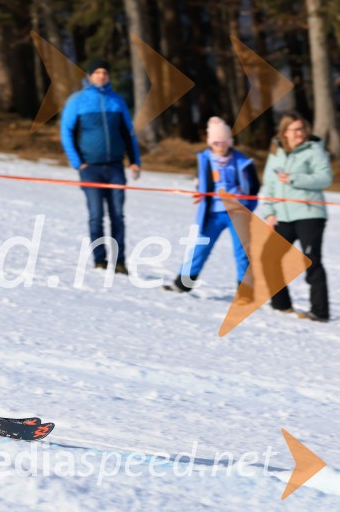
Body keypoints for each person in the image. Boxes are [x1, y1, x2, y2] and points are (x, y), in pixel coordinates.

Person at [61, 58, 142, 274]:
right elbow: (66, 132)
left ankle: (119, 261)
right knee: (96, 215)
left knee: (118, 215)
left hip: (115, 167)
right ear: (89, 75)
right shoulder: (77, 100)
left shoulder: (117, 100)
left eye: (104, 72)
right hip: (91, 168)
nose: (101, 76)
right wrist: (78, 163)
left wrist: (134, 161)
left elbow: (128, 133)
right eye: (97, 72)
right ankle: (99, 259)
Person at [165, 117, 259, 295]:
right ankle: (183, 283)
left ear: (229, 142)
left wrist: (246, 203)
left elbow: (254, 187)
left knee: (242, 252)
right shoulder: (205, 159)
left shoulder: (241, 160)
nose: (220, 146)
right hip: (213, 213)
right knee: (201, 246)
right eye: (216, 142)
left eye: (223, 142)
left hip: (237, 212)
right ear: (210, 143)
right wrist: (198, 186)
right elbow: (200, 179)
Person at [260, 112, 332, 322]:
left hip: (309, 214)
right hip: (283, 215)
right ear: (285, 132)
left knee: (312, 261)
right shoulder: (276, 152)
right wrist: (270, 211)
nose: (300, 133)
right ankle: (281, 304)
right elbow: (270, 184)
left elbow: (324, 178)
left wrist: (294, 179)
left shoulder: (314, 149)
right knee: (269, 258)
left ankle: (320, 312)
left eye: (302, 129)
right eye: (295, 130)